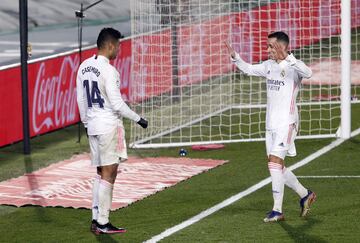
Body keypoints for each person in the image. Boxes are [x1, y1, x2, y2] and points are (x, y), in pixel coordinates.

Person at [225, 31, 316, 222]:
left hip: (287, 123)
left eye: (271, 46)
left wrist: (289, 57)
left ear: (282, 47)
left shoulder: (293, 67)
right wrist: (236, 58)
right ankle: (305, 194)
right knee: (277, 166)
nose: (267, 50)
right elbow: (249, 69)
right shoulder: (268, 66)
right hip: (270, 125)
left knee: (274, 162)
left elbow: (309, 73)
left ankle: (277, 210)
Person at [76, 27, 148, 234]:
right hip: (108, 126)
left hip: (93, 126)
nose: (119, 50)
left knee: (100, 173)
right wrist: (138, 119)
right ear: (109, 45)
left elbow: (81, 98)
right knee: (109, 173)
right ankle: (103, 222)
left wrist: (86, 123)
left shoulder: (84, 67)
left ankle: (96, 218)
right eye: (118, 45)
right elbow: (117, 104)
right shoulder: (109, 71)